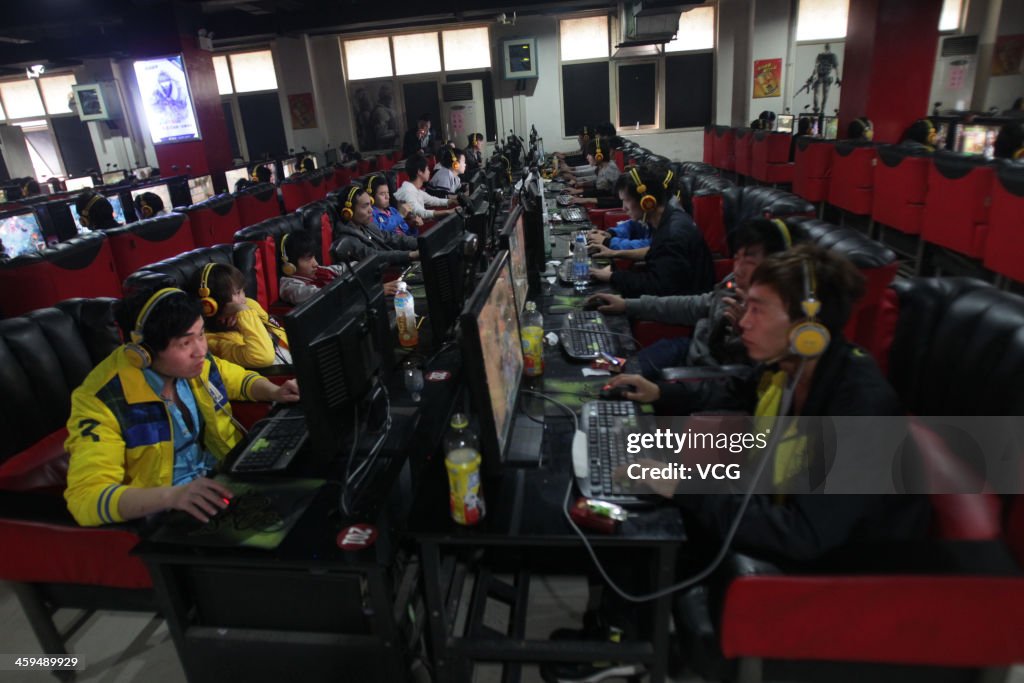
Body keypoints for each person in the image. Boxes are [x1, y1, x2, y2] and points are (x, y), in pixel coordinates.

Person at [552, 246, 928, 682]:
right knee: (639, 496)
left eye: (759, 310)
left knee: (656, 508)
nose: (743, 321)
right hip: (784, 508)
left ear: (809, 327)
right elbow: (733, 390)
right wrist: (660, 393)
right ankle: (621, 637)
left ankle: (619, 650)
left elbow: (804, 536)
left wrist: (686, 485)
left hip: (838, 571)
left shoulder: (858, 408)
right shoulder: (791, 366)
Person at [63, 287, 300, 527]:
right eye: (185, 342)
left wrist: (273, 391)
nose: (200, 350)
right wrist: (172, 497)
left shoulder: (195, 363)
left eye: (201, 334)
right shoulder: (102, 400)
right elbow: (85, 499)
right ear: (143, 352)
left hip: (220, 481)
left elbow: (235, 379)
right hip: (169, 512)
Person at [586, 218, 797, 381]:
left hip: (703, 372)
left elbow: (748, 379)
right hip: (686, 348)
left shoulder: (778, 311)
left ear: (776, 262)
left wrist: (741, 333)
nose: (738, 268)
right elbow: (694, 305)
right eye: (737, 257)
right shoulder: (734, 283)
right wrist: (627, 305)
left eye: (749, 259)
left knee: (614, 379)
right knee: (596, 366)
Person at [588, 165, 714, 298]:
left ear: (646, 201)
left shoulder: (672, 233)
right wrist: (615, 264)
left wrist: (614, 277)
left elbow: (657, 286)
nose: (623, 208)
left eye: (626, 201)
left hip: (680, 309)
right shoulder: (667, 218)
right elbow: (656, 256)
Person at [192, 262, 291, 368]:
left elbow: (278, 331)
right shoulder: (213, 341)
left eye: (243, 291)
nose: (244, 299)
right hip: (282, 375)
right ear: (211, 303)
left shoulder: (249, 304)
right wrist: (243, 311)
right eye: (238, 293)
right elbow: (263, 357)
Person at [331, 184, 418, 296]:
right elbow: (375, 256)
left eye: (370, 205)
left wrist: (420, 242)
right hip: (379, 285)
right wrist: (410, 255)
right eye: (365, 206)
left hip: (395, 271)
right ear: (348, 212)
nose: (371, 210)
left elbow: (392, 238)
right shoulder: (347, 240)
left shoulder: (367, 225)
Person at [278, 230, 351, 305]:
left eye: (313, 257)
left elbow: (342, 268)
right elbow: (320, 294)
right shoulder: (289, 287)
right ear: (290, 264)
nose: (315, 263)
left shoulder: (316, 271)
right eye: (308, 259)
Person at [394, 154, 458, 221]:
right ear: (420, 172)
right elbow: (421, 212)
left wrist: (452, 201)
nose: (429, 172)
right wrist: (449, 211)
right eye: (427, 169)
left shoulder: (415, 189)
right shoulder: (408, 192)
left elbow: (433, 200)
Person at [568, 137, 622, 206]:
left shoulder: (611, 170)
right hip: (601, 202)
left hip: (609, 207)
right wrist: (580, 187)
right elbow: (601, 187)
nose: (587, 157)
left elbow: (614, 197)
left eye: (589, 154)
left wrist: (586, 199)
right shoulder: (603, 167)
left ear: (598, 156)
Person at [807, 43, 841, 114]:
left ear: (825, 47)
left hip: (823, 76)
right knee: (823, 94)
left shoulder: (823, 56)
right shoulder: (830, 56)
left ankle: (818, 109)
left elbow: (816, 67)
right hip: (824, 76)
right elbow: (836, 68)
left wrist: (812, 76)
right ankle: (820, 109)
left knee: (819, 94)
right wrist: (838, 78)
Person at [371, 86, 401, 150]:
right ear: (384, 99)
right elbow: (380, 135)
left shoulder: (387, 110)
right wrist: (396, 133)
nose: (391, 99)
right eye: (389, 97)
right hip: (384, 149)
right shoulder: (380, 111)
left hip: (390, 147)